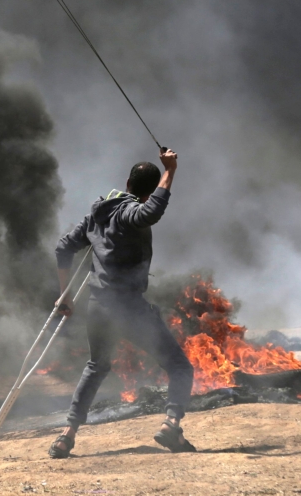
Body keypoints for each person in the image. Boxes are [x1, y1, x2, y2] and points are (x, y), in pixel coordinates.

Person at [49, 149, 195, 458]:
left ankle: (66, 435)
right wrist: (170, 170)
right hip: (129, 309)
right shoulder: (131, 214)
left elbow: (63, 248)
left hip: (98, 306)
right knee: (179, 366)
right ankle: (171, 426)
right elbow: (151, 212)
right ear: (146, 192)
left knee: (96, 366)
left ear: (128, 183)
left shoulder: (97, 214)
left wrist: (64, 293)